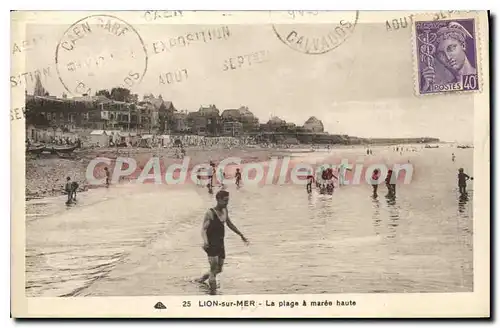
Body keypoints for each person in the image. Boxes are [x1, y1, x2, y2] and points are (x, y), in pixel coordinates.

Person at [196, 190, 249, 290]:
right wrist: (205, 241)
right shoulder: (210, 213)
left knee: (219, 269)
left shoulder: (225, 210)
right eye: (224, 201)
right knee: (213, 270)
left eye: (227, 200)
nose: (226, 203)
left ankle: (201, 279)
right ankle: (214, 294)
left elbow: (229, 223)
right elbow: (203, 229)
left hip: (221, 243)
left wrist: (240, 234)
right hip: (211, 244)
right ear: (218, 200)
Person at [421, 21, 477, 90]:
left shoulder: (482, 76)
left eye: (451, 48)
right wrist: (426, 87)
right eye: (441, 54)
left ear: (463, 45)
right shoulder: (445, 86)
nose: (448, 57)